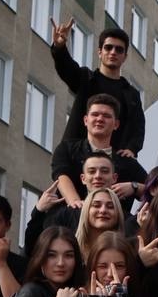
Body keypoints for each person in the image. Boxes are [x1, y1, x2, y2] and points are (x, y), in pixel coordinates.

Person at [50, 21, 145, 158]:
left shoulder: (131, 94)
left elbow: (138, 126)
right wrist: (59, 47)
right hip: (77, 157)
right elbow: (66, 68)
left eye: (119, 49)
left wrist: (132, 149)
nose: (113, 52)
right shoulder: (85, 79)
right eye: (108, 47)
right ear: (100, 52)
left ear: (125, 57)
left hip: (112, 161)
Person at [49, 94, 147, 212]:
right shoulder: (67, 149)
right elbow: (61, 176)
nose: (100, 119)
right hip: (69, 220)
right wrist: (76, 203)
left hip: (115, 223)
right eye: (95, 114)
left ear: (116, 124)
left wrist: (134, 187)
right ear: (86, 120)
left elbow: (156, 190)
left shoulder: (126, 162)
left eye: (106, 116)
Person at [22, 153, 119, 258]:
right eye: (92, 171)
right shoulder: (65, 215)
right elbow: (34, 249)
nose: (98, 176)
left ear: (114, 178)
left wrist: (133, 187)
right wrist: (38, 210)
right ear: (83, 178)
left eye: (104, 171)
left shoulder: (125, 219)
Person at [73, 186, 126, 265]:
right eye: (96, 205)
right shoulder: (72, 249)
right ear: (86, 210)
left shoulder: (127, 251)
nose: (103, 210)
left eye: (110, 207)